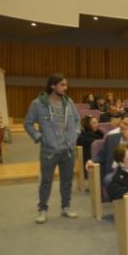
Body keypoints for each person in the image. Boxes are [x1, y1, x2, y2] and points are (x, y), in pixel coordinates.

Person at [24, 74, 81, 223]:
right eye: (62, 85)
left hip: (68, 149)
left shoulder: (69, 102)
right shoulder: (38, 104)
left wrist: (75, 134)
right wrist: (39, 137)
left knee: (67, 180)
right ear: (53, 86)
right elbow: (28, 123)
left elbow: (77, 120)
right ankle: (42, 209)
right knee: (46, 181)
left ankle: (66, 207)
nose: (65, 88)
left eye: (66, 85)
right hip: (49, 151)